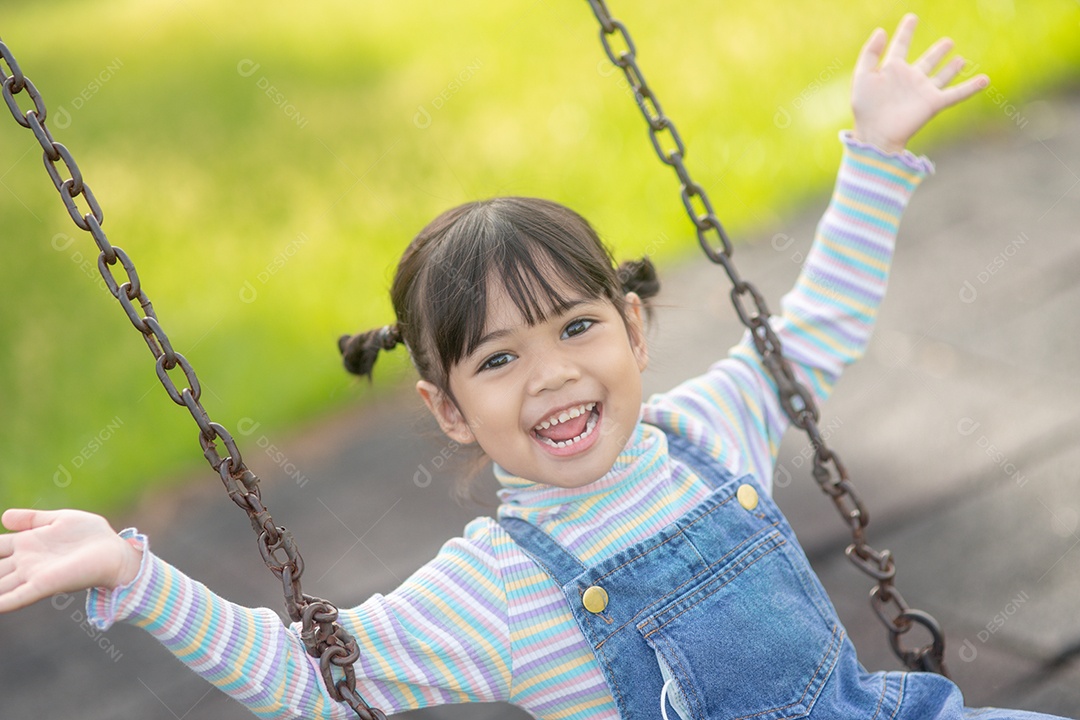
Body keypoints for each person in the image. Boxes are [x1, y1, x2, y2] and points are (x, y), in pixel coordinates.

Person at [0, 14, 1064, 720]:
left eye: (576, 328)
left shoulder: (711, 426)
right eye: (500, 357)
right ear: (449, 411)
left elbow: (820, 326)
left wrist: (875, 155)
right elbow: (305, 678)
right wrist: (133, 574)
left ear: (634, 329)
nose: (550, 375)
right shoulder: (493, 591)